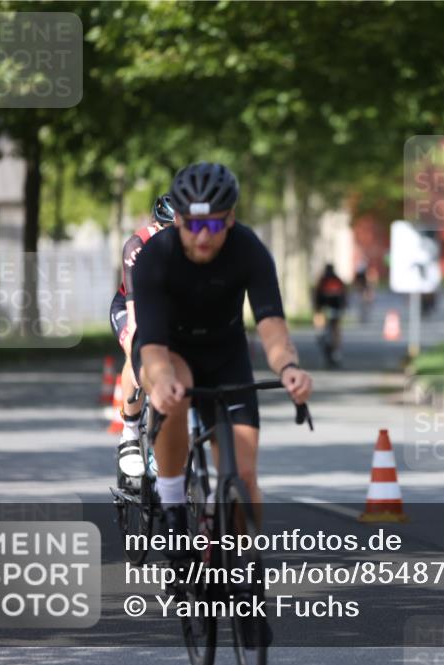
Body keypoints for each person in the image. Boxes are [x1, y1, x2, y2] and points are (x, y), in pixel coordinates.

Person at [131, 162, 312, 554]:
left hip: (225, 352)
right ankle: (174, 504)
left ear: (230, 219)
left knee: (245, 480)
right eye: (193, 227)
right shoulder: (154, 257)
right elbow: (154, 350)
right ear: (176, 220)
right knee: (173, 391)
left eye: (213, 226)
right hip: (166, 349)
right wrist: (159, 380)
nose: (202, 238)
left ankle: (244, 577)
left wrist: (289, 368)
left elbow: (272, 328)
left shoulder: (248, 249)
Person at [108, 194, 175, 490]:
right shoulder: (137, 246)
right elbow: (135, 317)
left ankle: (164, 435)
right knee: (137, 351)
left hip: (166, 308)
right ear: (156, 226)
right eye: (167, 231)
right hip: (129, 307)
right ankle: (131, 433)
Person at [313, 263, 347, 367]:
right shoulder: (338, 280)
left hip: (324, 309)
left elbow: (317, 296)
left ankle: (319, 334)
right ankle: (336, 350)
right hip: (336, 309)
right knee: (335, 328)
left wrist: (316, 308)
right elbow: (343, 296)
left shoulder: (322, 280)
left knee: (322, 326)